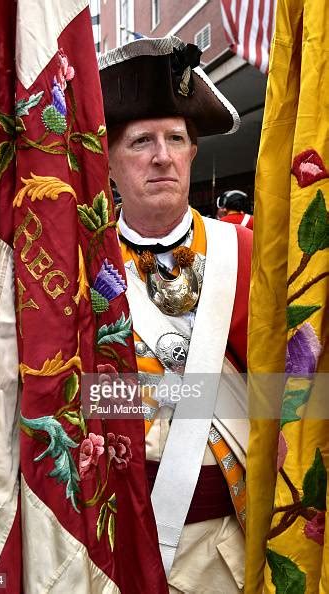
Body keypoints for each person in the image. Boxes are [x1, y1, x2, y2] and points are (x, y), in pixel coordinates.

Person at [99, 36, 252, 593]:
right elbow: (66, 398)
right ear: (110, 160)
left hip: (229, 544)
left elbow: (293, 386)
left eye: (176, 139)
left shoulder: (248, 252)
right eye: (141, 141)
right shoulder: (76, 270)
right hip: (119, 539)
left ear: (193, 153)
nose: (162, 155)